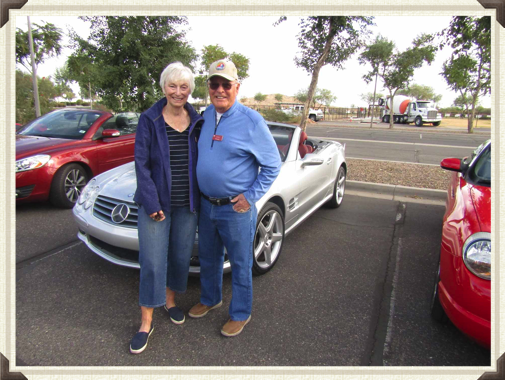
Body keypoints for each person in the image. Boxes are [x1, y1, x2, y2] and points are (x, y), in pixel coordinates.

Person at [189, 60, 281, 337]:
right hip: (207, 205)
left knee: (241, 263)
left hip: (235, 209)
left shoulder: (252, 121)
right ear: (209, 88)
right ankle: (210, 299)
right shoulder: (205, 116)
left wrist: (250, 197)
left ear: (236, 87)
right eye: (214, 84)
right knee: (209, 257)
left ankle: (240, 313)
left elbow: (273, 164)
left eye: (226, 85)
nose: (220, 90)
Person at [130, 62, 203, 354]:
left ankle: (170, 301)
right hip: (156, 206)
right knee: (152, 261)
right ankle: (145, 322)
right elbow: (141, 164)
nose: (178, 92)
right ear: (163, 88)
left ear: (190, 90)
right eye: (172, 86)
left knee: (179, 256)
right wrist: (151, 202)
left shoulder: (198, 120)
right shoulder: (150, 119)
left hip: (188, 204)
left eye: (184, 86)